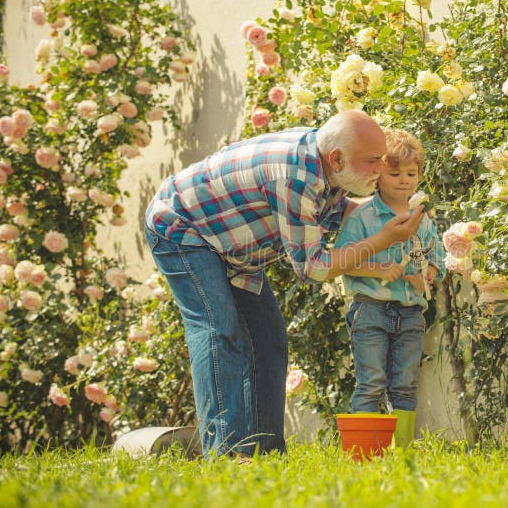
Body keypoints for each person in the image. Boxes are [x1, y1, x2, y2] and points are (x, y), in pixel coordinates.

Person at [143, 111, 425, 460]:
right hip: (182, 227)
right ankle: (228, 454)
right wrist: (383, 238)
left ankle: (266, 450)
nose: (379, 170)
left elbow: (342, 210)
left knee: (269, 337)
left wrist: (392, 212)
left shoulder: (327, 164)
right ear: (337, 158)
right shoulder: (294, 177)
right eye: (372, 162)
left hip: (233, 247)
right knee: (220, 331)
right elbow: (315, 268)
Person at [334, 129, 445, 448]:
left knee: (405, 386)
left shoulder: (421, 220)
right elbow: (342, 261)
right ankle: (363, 455)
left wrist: (425, 276)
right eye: (394, 173)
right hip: (371, 311)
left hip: (410, 315)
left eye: (411, 173)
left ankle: (404, 455)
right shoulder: (363, 216)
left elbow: (435, 256)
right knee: (371, 383)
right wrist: (379, 268)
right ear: (377, 175)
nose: (404, 180)